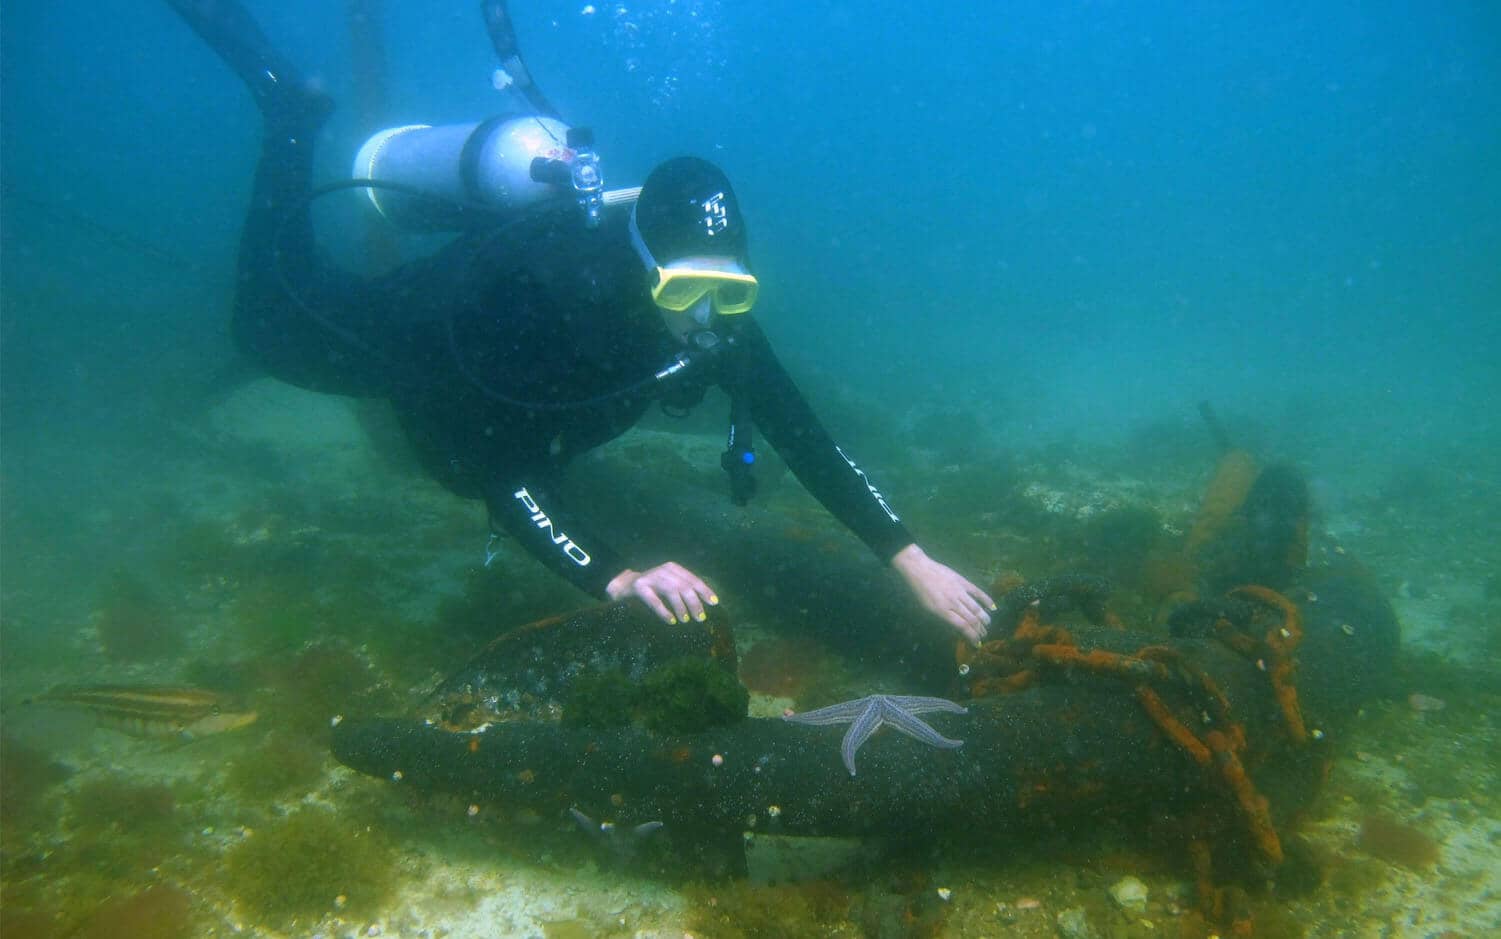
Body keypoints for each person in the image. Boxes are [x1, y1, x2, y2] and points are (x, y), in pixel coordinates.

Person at [164, 0, 996, 642]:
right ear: (642, 272)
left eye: (728, 293)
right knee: (267, 326)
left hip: (515, 391)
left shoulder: (712, 305)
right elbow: (495, 470)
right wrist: (613, 575)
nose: (705, 320)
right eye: (682, 294)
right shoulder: (548, 305)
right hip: (408, 345)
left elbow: (803, 435)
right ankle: (287, 116)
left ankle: (292, 120)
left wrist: (909, 558)